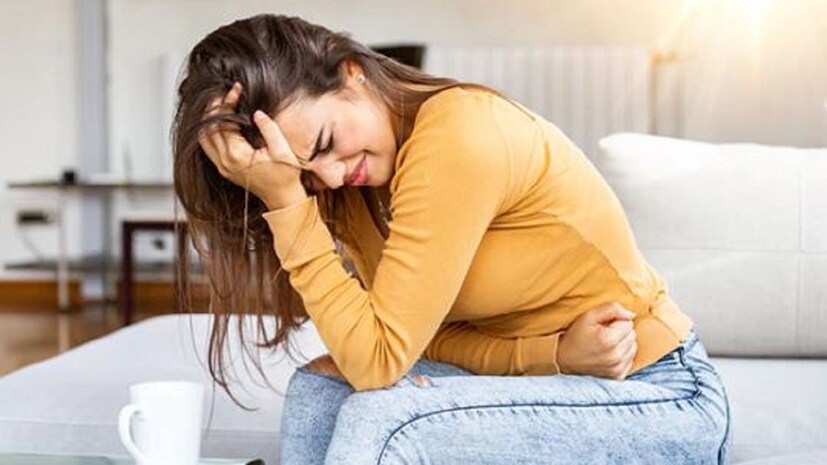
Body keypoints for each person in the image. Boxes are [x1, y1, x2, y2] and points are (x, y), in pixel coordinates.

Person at [172, 13, 732, 465]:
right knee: (318, 392)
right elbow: (419, 341)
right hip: (567, 376)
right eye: (303, 177)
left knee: (383, 421)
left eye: (325, 143)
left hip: (655, 392)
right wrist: (552, 356)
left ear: (351, 73)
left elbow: (378, 362)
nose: (333, 177)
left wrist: (286, 203)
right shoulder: (356, 185)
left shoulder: (458, 135)